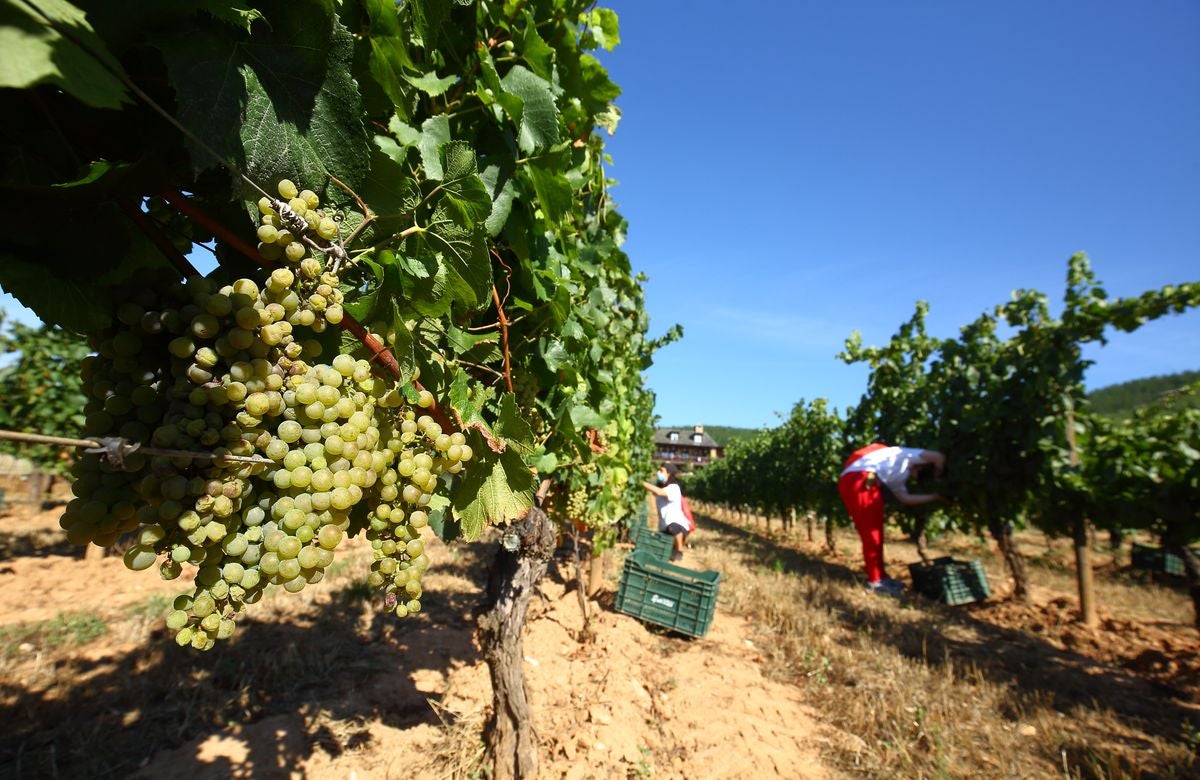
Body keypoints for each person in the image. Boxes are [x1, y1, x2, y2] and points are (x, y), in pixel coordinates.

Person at [838, 443, 946, 597]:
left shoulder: (899, 474)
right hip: (861, 478)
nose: (917, 478)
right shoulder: (905, 453)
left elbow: (905, 498)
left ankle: (881, 577)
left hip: (862, 481)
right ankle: (875, 581)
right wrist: (938, 477)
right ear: (922, 465)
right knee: (872, 533)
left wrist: (935, 497)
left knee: (876, 533)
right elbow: (939, 457)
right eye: (921, 473)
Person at [643, 463, 687, 562]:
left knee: (673, 527)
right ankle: (672, 551)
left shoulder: (674, 488)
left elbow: (659, 492)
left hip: (678, 526)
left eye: (661, 471)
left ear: (669, 474)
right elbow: (653, 488)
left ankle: (679, 550)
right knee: (661, 551)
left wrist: (642, 483)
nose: (658, 473)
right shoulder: (660, 486)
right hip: (664, 526)